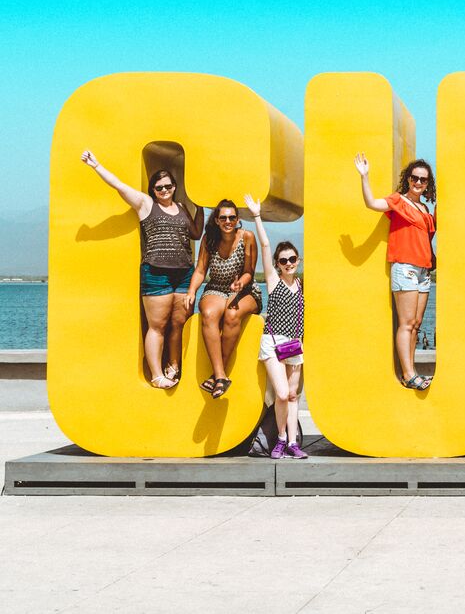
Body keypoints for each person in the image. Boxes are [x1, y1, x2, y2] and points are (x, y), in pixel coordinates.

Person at [80, 151, 203, 388]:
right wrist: (97, 165)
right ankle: (157, 375)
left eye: (168, 186)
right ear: (153, 190)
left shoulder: (181, 208)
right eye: (159, 187)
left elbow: (196, 234)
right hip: (156, 273)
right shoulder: (146, 204)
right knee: (157, 326)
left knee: (179, 323)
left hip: (184, 273)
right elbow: (119, 186)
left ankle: (174, 365)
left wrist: (200, 207)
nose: (164, 190)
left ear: (174, 186)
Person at [354, 154, 437, 390]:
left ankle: (410, 370)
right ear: (408, 179)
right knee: (407, 322)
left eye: (423, 180)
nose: (418, 183)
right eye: (415, 178)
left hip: (424, 270)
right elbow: (372, 203)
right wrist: (364, 176)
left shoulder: (424, 208)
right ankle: (409, 373)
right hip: (405, 267)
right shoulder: (399, 201)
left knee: (417, 323)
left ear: (428, 183)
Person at [243, 194, 307, 459]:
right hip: (273, 342)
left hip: (294, 343)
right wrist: (257, 216)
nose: (288, 264)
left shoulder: (302, 286)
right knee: (281, 393)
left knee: (292, 395)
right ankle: (280, 438)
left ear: (298, 260)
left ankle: (293, 443)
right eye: (283, 261)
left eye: (292, 259)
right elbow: (266, 245)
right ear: (278, 265)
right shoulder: (273, 281)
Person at [185, 199, 262, 399]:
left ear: (237, 219)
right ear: (217, 220)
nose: (228, 221)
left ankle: (216, 377)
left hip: (245, 289)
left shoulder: (247, 237)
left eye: (232, 217)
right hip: (217, 288)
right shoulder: (208, 238)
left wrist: (240, 284)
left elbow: (249, 272)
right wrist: (192, 290)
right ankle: (221, 376)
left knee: (232, 313)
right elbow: (201, 270)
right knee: (209, 313)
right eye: (223, 218)